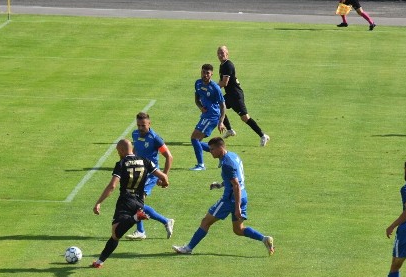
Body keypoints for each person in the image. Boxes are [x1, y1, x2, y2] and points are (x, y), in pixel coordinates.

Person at [173, 137, 274, 256]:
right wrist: (221, 184)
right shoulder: (233, 156)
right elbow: (236, 179)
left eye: (212, 149)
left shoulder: (226, 163)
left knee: (205, 222)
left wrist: (237, 208)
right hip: (243, 195)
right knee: (238, 230)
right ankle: (264, 239)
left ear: (221, 148)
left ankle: (188, 248)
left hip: (230, 199)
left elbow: (235, 185)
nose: (210, 152)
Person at [92, 139, 169, 268]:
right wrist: (164, 183)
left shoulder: (121, 163)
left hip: (125, 201)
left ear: (122, 150)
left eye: (118, 151)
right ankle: (99, 262)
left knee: (115, 234)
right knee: (116, 234)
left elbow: (112, 186)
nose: (118, 154)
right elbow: (163, 177)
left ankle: (136, 217)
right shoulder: (146, 161)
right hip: (139, 201)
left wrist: (99, 202)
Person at [126, 112, 175, 240]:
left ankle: (145, 229)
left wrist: (163, 175)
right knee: (135, 202)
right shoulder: (135, 134)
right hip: (138, 173)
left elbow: (169, 156)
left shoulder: (155, 138)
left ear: (149, 124)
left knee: (136, 202)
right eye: (138, 125)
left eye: (143, 125)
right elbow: (136, 149)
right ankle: (161, 223)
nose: (140, 128)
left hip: (151, 174)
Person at [216, 45, 270, 147]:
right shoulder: (222, 65)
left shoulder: (228, 65)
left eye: (222, 52)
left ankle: (263, 135)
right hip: (230, 95)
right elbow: (221, 81)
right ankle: (230, 130)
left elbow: (224, 83)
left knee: (245, 118)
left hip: (236, 96)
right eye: (219, 53)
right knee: (218, 107)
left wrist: (214, 88)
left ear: (227, 53)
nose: (220, 54)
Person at [190, 63, 226, 171]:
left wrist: (221, 121)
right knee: (197, 141)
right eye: (203, 72)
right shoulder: (198, 83)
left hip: (212, 117)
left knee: (194, 138)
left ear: (211, 74)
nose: (205, 75)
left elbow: (223, 105)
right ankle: (222, 155)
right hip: (205, 115)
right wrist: (201, 107)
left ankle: (201, 165)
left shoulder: (215, 88)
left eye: (207, 73)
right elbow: (197, 99)